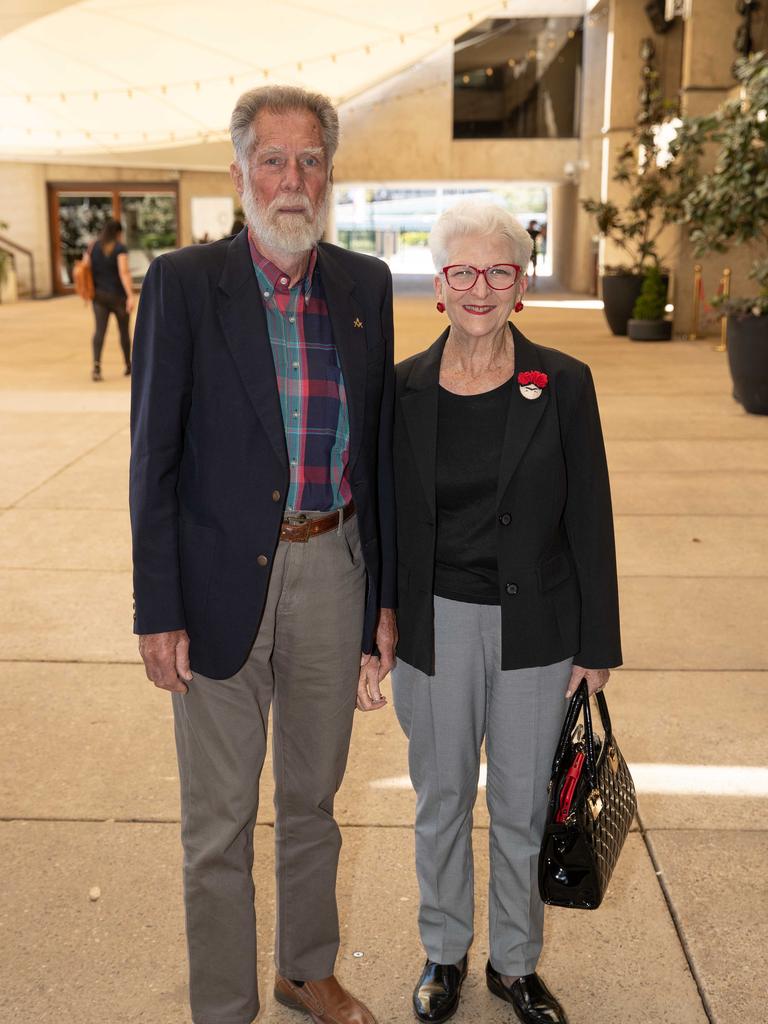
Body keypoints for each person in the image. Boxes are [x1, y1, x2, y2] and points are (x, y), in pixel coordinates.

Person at [129, 85, 397, 1024]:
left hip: (334, 569)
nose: (294, 180)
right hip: (213, 587)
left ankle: (305, 967)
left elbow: (381, 455)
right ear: (239, 170)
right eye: (274, 160)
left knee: (314, 799)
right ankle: (224, 1004)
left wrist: (382, 604)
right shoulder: (182, 284)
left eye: (311, 160)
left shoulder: (363, 288)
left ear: (330, 172)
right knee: (219, 822)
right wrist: (156, 608)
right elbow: (152, 457)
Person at [391, 200, 621, 1024]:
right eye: (463, 271)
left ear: (521, 286)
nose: (480, 288)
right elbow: (387, 519)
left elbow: (589, 515)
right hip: (435, 627)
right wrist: (378, 625)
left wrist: (598, 641)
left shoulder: (562, 383)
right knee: (441, 800)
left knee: (522, 807)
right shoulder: (405, 386)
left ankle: (515, 965)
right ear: (440, 285)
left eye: (499, 271)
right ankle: (445, 953)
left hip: (536, 634)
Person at [82, 217, 133, 381]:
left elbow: (85, 267)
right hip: (118, 297)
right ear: (118, 232)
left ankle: (96, 367)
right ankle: (128, 366)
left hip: (99, 297)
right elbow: (123, 272)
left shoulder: (93, 246)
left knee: (99, 332)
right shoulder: (120, 248)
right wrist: (131, 295)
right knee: (124, 333)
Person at [525, 219, 545, 289]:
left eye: (534, 225)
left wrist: (539, 226)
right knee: (526, 269)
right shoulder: (525, 231)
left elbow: (543, 233)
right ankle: (527, 284)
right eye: (532, 224)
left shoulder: (535, 232)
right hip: (527, 252)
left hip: (534, 252)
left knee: (534, 268)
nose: (533, 226)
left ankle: (533, 283)